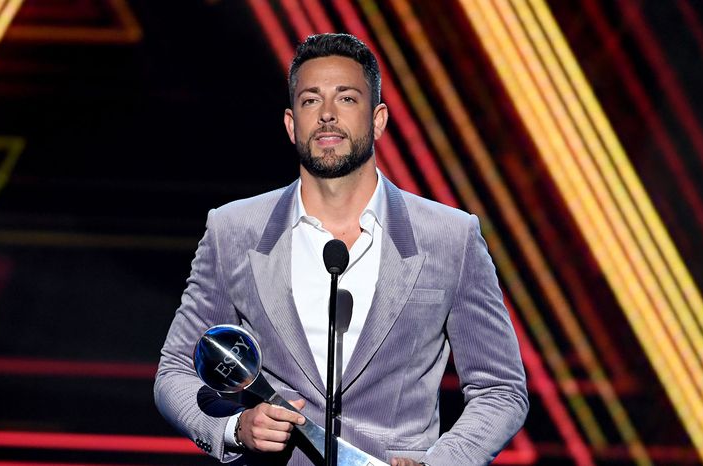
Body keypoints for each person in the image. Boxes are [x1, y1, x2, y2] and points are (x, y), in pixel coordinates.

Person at [154, 33, 528, 466]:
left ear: (379, 120)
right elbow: (174, 372)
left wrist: (442, 462)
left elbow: (501, 389)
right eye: (312, 101)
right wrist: (235, 428)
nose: (328, 115)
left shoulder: (449, 237)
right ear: (293, 124)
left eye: (347, 99)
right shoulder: (234, 230)